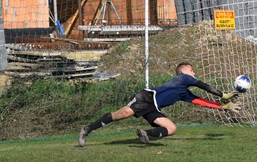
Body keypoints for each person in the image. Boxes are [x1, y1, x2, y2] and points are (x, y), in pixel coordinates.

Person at [78, 62, 241, 146]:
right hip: (147, 98)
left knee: (171, 128)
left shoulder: (184, 92)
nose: (194, 72)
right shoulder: (184, 78)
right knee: (121, 115)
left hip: (154, 107)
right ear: (183, 71)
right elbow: (204, 86)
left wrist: (223, 106)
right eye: (191, 69)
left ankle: (145, 133)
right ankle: (87, 129)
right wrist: (223, 95)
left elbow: (201, 102)